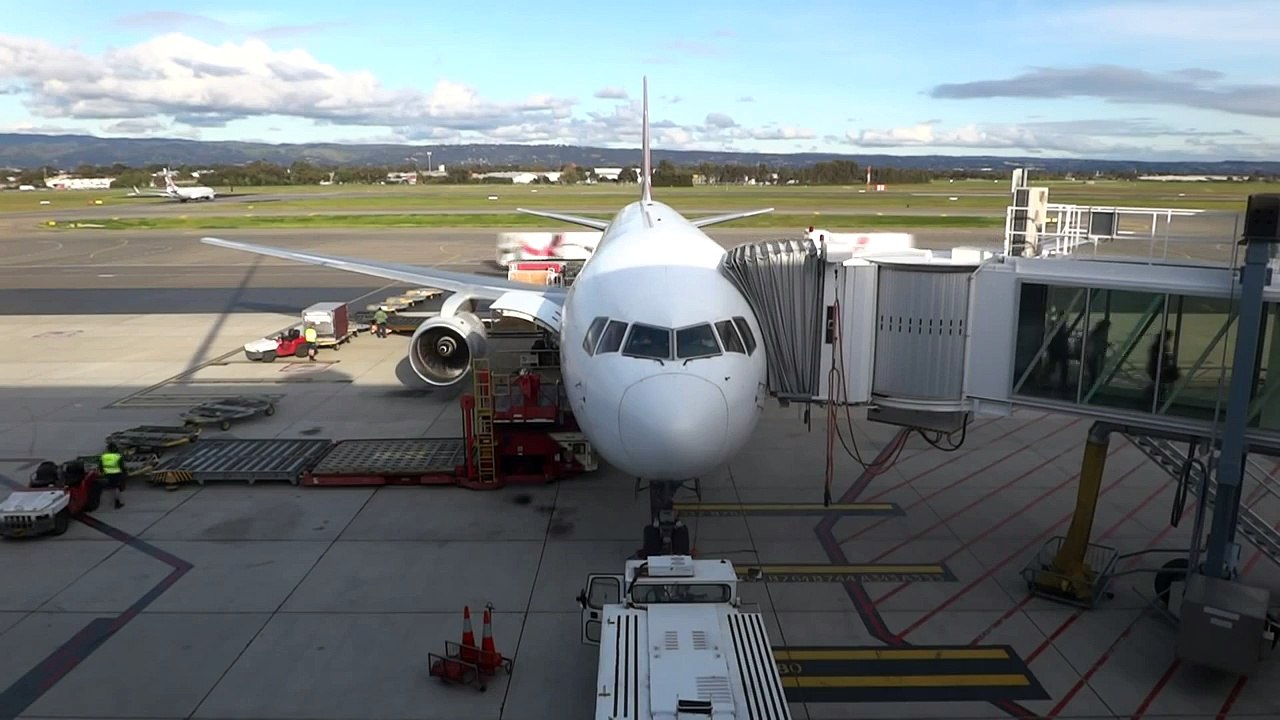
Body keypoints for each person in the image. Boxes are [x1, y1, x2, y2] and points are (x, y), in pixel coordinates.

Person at [99, 442, 127, 509]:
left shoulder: (104, 456)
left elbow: (100, 466)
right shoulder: (118, 456)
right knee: (117, 487)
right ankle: (117, 503)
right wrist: (125, 473)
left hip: (107, 474)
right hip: (117, 474)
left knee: (109, 486)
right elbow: (122, 467)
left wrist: (102, 472)